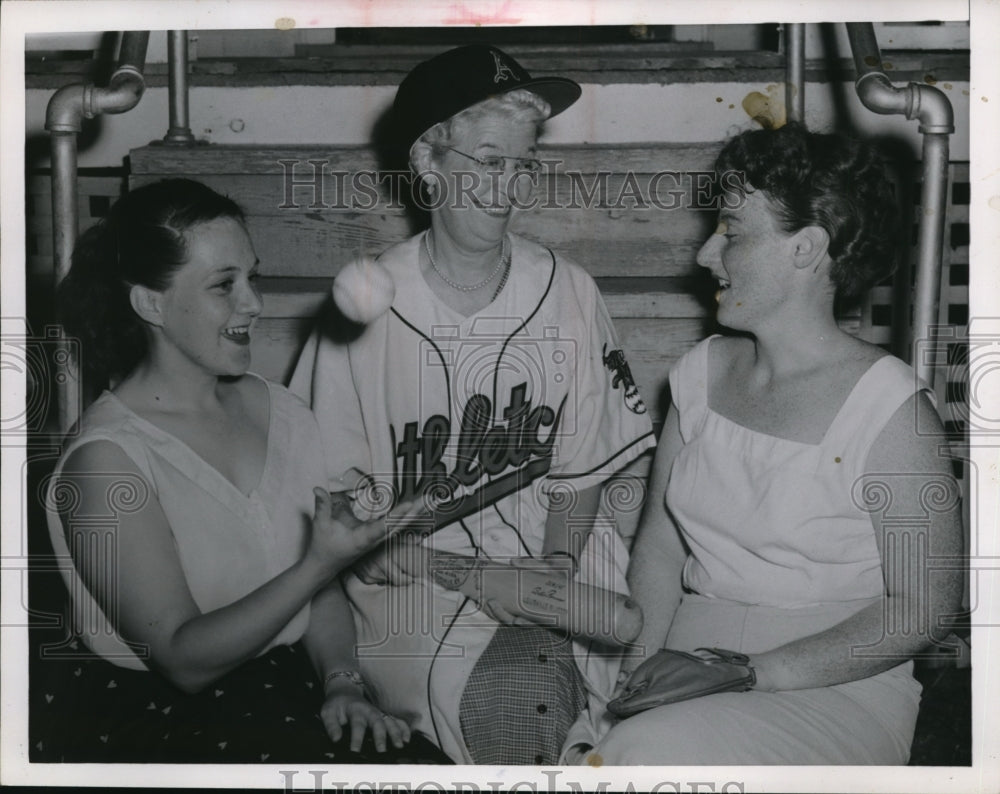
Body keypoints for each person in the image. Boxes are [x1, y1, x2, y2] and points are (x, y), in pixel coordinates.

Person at [290, 45, 655, 765]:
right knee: (520, 696)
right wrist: (475, 578)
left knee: (611, 713)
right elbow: (333, 520)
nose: (507, 186)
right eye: (488, 161)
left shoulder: (568, 289)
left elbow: (582, 470)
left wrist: (554, 570)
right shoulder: (362, 313)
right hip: (415, 582)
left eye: (523, 164)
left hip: (558, 557)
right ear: (429, 163)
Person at [33, 178, 452, 764]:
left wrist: (343, 684)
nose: (253, 302)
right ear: (150, 304)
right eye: (223, 285)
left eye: (252, 277)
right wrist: (319, 564)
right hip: (164, 723)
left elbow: (317, 592)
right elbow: (182, 660)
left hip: (288, 686)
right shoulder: (104, 463)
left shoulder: (282, 410)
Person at [587, 123, 965, 765]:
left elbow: (923, 608)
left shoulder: (890, 409)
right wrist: (630, 682)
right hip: (685, 659)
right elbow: (658, 550)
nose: (705, 254)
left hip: (832, 684)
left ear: (806, 248)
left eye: (731, 232)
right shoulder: (700, 374)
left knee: (650, 754)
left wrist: (749, 671)